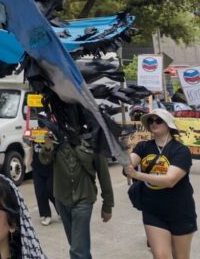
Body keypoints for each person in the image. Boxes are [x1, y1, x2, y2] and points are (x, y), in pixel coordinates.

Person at [126, 108, 196, 259]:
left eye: (158, 120)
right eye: (150, 121)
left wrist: (137, 175)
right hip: (153, 210)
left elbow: (170, 180)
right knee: (161, 256)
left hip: (180, 211)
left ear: (169, 125)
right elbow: (129, 163)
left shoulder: (181, 150)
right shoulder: (143, 146)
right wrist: (123, 152)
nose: (153, 123)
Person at [38, 129, 113, 259]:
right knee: (77, 245)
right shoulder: (56, 136)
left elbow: (104, 174)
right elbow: (44, 161)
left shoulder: (92, 139)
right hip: (62, 199)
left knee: (77, 250)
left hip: (83, 198)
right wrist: (47, 146)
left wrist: (107, 205)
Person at [30, 139, 55, 226]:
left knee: (51, 190)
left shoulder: (52, 130)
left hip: (51, 167)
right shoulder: (34, 131)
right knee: (40, 192)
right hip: (37, 167)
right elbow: (30, 146)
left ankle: (62, 210)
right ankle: (46, 215)